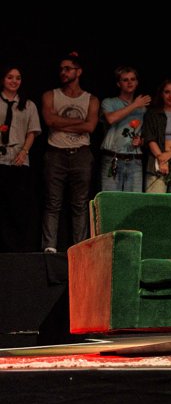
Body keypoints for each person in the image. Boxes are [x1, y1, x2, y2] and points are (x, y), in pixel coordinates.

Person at [41, 52, 100, 253]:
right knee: (52, 203)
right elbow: (50, 121)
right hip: (55, 153)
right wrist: (78, 123)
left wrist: (62, 122)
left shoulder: (91, 99)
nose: (63, 72)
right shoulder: (50, 95)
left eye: (67, 69)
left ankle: (79, 249)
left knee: (80, 204)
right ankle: (49, 247)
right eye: (61, 69)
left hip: (81, 154)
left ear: (78, 72)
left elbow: (90, 126)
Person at [0, 65, 42, 252]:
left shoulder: (28, 104)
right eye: (10, 77)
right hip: (0, 158)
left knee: (18, 205)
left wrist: (24, 151)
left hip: (19, 158)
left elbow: (32, 132)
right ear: (3, 79)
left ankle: (17, 247)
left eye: (18, 78)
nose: (14, 81)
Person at [98, 66, 150, 192]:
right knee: (111, 199)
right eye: (125, 80)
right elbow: (111, 119)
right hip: (113, 158)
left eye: (133, 79)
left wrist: (141, 141)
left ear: (137, 83)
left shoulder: (143, 108)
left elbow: (146, 133)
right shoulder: (109, 102)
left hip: (134, 160)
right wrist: (135, 105)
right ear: (118, 84)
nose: (129, 82)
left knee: (133, 200)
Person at [142, 79, 171, 193]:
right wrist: (161, 159)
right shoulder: (152, 113)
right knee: (155, 201)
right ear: (161, 94)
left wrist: (169, 154)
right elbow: (150, 137)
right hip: (156, 162)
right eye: (167, 92)